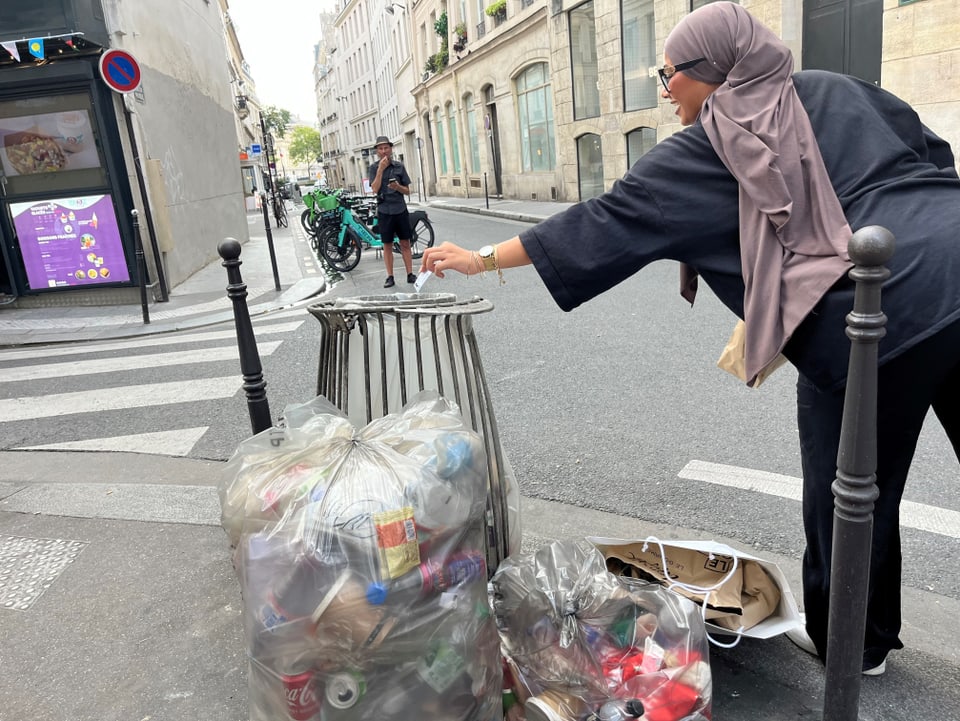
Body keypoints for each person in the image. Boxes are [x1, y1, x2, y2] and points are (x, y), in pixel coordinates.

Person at [421, 1, 960, 677]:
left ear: (713, 71)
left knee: (850, 483)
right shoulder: (834, 88)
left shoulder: (711, 143)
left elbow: (604, 220)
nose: (663, 85)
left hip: (882, 313)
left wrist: (479, 260)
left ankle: (857, 640)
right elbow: (932, 156)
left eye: (669, 70)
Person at [368, 136, 415, 288]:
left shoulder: (399, 166)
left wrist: (398, 188)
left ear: (391, 149)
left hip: (400, 209)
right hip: (384, 210)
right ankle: (390, 276)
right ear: (377, 151)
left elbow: (407, 191)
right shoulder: (374, 168)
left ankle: (410, 274)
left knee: (405, 243)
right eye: (380, 149)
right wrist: (381, 170)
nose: (383, 151)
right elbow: (374, 189)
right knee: (387, 245)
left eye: (386, 148)